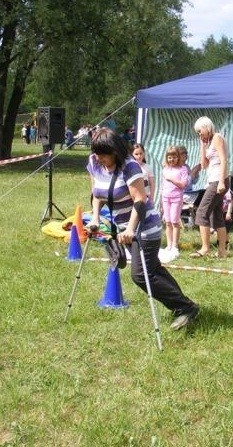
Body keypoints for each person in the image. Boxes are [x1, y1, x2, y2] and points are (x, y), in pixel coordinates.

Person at [87, 128, 199, 330]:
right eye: (97, 153)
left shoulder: (130, 167)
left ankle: (185, 307)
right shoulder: (95, 163)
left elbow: (140, 199)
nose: (99, 158)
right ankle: (183, 305)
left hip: (145, 226)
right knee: (153, 269)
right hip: (122, 228)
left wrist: (130, 228)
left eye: (104, 154)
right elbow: (97, 194)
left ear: (115, 151)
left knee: (140, 275)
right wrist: (95, 217)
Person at [190, 116, 229, 258]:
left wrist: (222, 182)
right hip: (212, 180)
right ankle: (222, 251)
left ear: (207, 127)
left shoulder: (217, 138)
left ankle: (205, 248)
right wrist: (202, 145)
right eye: (198, 133)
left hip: (218, 180)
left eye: (200, 131)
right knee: (217, 215)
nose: (199, 134)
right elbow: (204, 164)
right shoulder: (209, 142)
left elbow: (224, 159)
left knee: (201, 212)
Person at [159, 145, 189, 262]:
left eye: (174, 157)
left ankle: (175, 246)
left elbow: (183, 184)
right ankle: (169, 244)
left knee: (175, 222)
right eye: (169, 157)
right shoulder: (165, 169)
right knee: (168, 222)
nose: (172, 159)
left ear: (178, 157)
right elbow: (163, 186)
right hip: (166, 198)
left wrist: (171, 179)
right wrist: (161, 202)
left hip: (176, 198)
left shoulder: (183, 170)